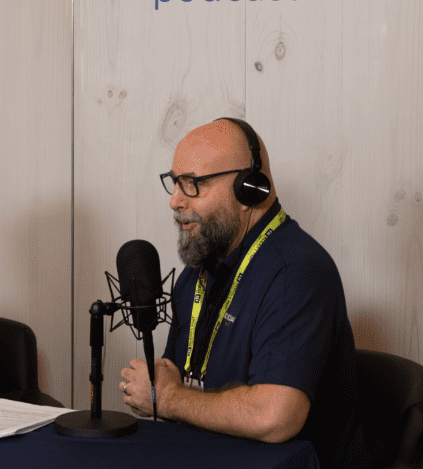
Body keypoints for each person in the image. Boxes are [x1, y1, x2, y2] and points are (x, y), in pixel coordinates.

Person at [119, 118, 367, 468]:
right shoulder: (196, 273)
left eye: (192, 184)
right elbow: (172, 378)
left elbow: (275, 417)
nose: (175, 201)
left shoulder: (296, 272)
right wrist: (156, 387)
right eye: (174, 183)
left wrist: (168, 398)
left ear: (250, 188)